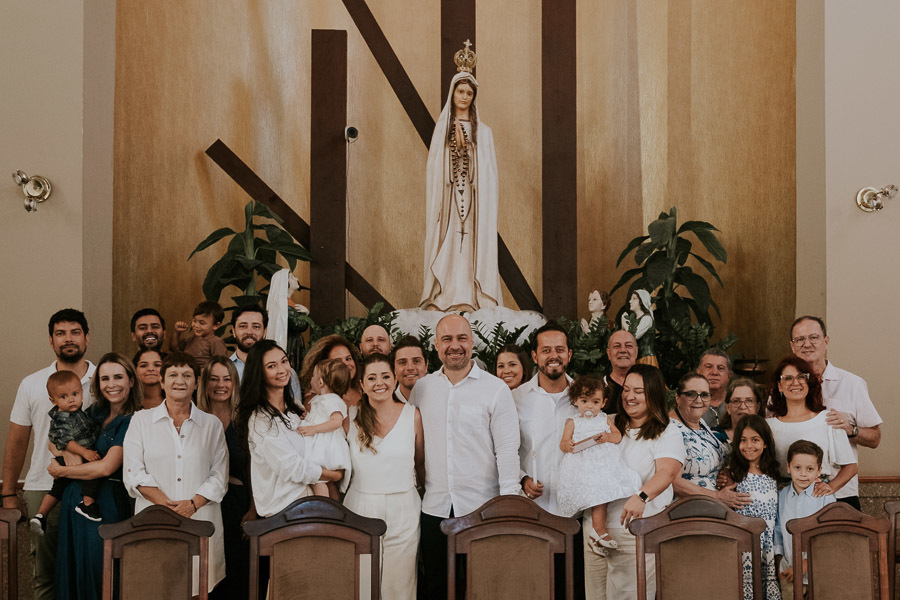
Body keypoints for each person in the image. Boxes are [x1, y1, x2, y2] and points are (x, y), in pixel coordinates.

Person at [409, 313, 520, 600]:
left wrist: (508, 503)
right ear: (435, 345)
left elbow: (507, 448)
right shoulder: (422, 388)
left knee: (482, 588)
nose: (454, 345)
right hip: (434, 508)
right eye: (447, 339)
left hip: (482, 508)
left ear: (472, 342)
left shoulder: (495, 389)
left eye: (461, 338)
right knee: (436, 587)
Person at [2, 308, 95, 600]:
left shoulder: (105, 379)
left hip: (94, 486)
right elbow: (17, 442)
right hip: (44, 487)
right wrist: (7, 493)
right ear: (51, 340)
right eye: (60, 333)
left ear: (87, 338)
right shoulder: (32, 383)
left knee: (91, 570)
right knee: (45, 575)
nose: (68, 339)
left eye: (75, 332)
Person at [123, 352, 228, 596]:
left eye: (186, 375)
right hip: (153, 519)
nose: (179, 380)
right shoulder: (141, 421)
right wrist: (166, 508)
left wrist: (192, 505)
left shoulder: (211, 425)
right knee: (157, 587)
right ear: (161, 381)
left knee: (197, 588)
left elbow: (219, 475)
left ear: (197, 382)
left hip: (201, 519)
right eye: (172, 374)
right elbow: (134, 472)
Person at [583, 364, 683, 600]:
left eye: (638, 391)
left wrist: (641, 496)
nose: (629, 396)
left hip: (634, 531)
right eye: (627, 389)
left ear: (654, 393)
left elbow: (667, 472)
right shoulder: (607, 422)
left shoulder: (668, 431)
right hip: (595, 530)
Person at [419, 47, 502, 312]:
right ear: (452, 94)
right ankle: (444, 295)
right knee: (450, 243)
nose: (464, 96)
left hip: (475, 203)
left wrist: (471, 150)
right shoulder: (442, 129)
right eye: (460, 91)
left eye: (469, 93)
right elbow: (434, 169)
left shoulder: (484, 133)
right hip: (450, 199)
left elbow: (490, 174)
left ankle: (473, 295)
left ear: (474, 97)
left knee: (471, 247)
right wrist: (452, 153)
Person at [53, 352, 138, 600]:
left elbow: (106, 468)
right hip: (73, 498)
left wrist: (62, 469)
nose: (111, 384)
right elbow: (55, 437)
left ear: (131, 380)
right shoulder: (96, 411)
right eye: (105, 378)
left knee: (99, 569)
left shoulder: (134, 419)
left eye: (118, 377)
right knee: (74, 568)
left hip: (106, 503)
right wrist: (67, 452)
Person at [343, 354, 425, 600]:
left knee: (399, 586)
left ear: (395, 378)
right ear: (362, 384)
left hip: (404, 508)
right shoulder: (350, 418)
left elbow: (420, 463)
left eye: (386, 376)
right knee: (362, 585)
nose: (380, 383)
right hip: (360, 507)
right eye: (372, 377)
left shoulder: (414, 415)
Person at [234, 339, 343, 518]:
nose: (282, 370)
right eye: (271, 366)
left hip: (309, 505)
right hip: (284, 513)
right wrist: (332, 475)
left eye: (284, 361)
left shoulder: (295, 408)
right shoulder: (260, 419)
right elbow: (290, 467)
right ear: (258, 373)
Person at [789, 316, 882, 509]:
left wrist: (850, 429)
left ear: (826, 341)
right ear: (792, 346)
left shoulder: (852, 384)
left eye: (813, 337)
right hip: (793, 493)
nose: (807, 344)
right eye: (800, 339)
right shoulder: (783, 387)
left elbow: (875, 438)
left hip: (841, 492)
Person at [558, 375, 640, 554]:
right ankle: (599, 531)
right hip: (583, 465)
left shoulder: (604, 419)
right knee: (598, 498)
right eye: (584, 401)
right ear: (575, 401)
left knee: (602, 496)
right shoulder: (573, 422)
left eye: (595, 402)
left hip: (603, 464)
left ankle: (598, 533)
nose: (589, 406)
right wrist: (569, 445)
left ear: (603, 403)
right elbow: (563, 443)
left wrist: (606, 437)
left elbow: (617, 436)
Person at [197, 356, 256, 600]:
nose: (220, 385)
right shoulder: (194, 418)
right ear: (204, 383)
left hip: (238, 502)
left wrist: (253, 509)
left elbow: (256, 467)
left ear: (235, 383)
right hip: (203, 502)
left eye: (227, 379)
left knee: (238, 570)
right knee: (206, 570)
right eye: (213, 379)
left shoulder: (246, 420)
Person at [766, 356, 857, 499]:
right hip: (781, 499)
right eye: (788, 378)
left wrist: (830, 487)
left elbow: (851, 467)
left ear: (808, 382)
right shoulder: (769, 426)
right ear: (779, 386)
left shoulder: (828, 419)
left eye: (801, 377)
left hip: (817, 499)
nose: (795, 383)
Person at [30, 371, 103, 533]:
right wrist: (84, 452)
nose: (71, 399)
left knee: (57, 489)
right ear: (53, 400)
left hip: (69, 459)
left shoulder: (77, 413)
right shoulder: (62, 418)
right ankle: (88, 503)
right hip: (75, 457)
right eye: (63, 397)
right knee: (94, 471)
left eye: (75, 394)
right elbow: (66, 441)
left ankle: (40, 515)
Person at [669, 374, 750, 510]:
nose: (699, 400)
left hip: (715, 509)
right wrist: (717, 496)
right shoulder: (671, 430)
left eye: (705, 395)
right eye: (691, 394)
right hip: (689, 512)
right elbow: (672, 481)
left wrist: (724, 474)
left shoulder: (701, 423)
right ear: (678, 398)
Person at [727, 415, 783, 600]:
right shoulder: (733, 474)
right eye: (743, 440)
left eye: (755, 440)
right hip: (744, 546)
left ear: (765, 443)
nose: (748, 445)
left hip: (768, 546)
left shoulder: (773, 474)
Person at [774, 440, 835, 600]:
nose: (803, 474)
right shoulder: (781, 496)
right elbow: (778, 531)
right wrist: (779, 562)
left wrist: (805, 564)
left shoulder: (825, 498)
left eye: (810, 469)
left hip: (819, 573)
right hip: (789, 573)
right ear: (788, 467)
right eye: (797, 468)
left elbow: (828, 537)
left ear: (819, 471)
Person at [298, 359, 352, 498]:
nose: (311, 379)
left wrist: (313, 429)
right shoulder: (323, 399)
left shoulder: (331, 400)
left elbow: (336, 421)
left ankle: (322, 508)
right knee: (328, 482)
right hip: (324, 444)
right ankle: (335, 507)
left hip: (325, 446)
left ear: (320, 382)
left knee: (318, 479)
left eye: (313, 376)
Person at [230, 305, 301, 399]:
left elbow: (295, 409)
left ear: (265, 332)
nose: (249, 332)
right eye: (243, 326)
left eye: (256, 327)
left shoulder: (285, 373)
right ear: (234, 331)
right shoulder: (224, 371)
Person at [301, 334, 363, 406]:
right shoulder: (315, 400)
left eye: (348, 359)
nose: (345, 364)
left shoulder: (364, 389)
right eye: (338, 361)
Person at [169, 300, 227, 368]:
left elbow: (221, 366)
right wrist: (176, 332)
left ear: (215, 326)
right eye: (194, 321)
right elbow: (174, 348)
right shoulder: (191, 340)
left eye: (202, 323)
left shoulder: (216, 342)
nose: (196, 325)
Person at [712, 377, 766, 444]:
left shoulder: (766, 436)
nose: (743, 407)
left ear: (757, 407)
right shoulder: (713, 437)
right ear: (728, 408)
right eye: (736, 401)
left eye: (749, 401)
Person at [603, 330, 637, 415]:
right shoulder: (600, 387)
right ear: (608, 353)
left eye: (628, 346)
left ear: (636, 352)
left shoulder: (649, 385)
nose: (623, 350)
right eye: (617, 346)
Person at [697, 348, 732, 428]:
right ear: (698, 372)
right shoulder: (687, 404)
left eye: (720, 368)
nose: (714, 373)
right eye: (709, 367)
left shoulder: (737, 404)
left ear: (729, 375)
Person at [620, 290, 656, 366]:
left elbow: (635, 336)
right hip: (635, 359)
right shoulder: (634, 320)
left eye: (634, 298)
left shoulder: (647, 319)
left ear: (641, 301)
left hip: (645, 359)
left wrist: (625, 323)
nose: (630, 301)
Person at [391, 335, 429, 402]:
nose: (410, 368)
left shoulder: (441, 401)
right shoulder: (384, 406)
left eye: (416, 361)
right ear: (394, 368)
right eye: (402, 362)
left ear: (426, 366)